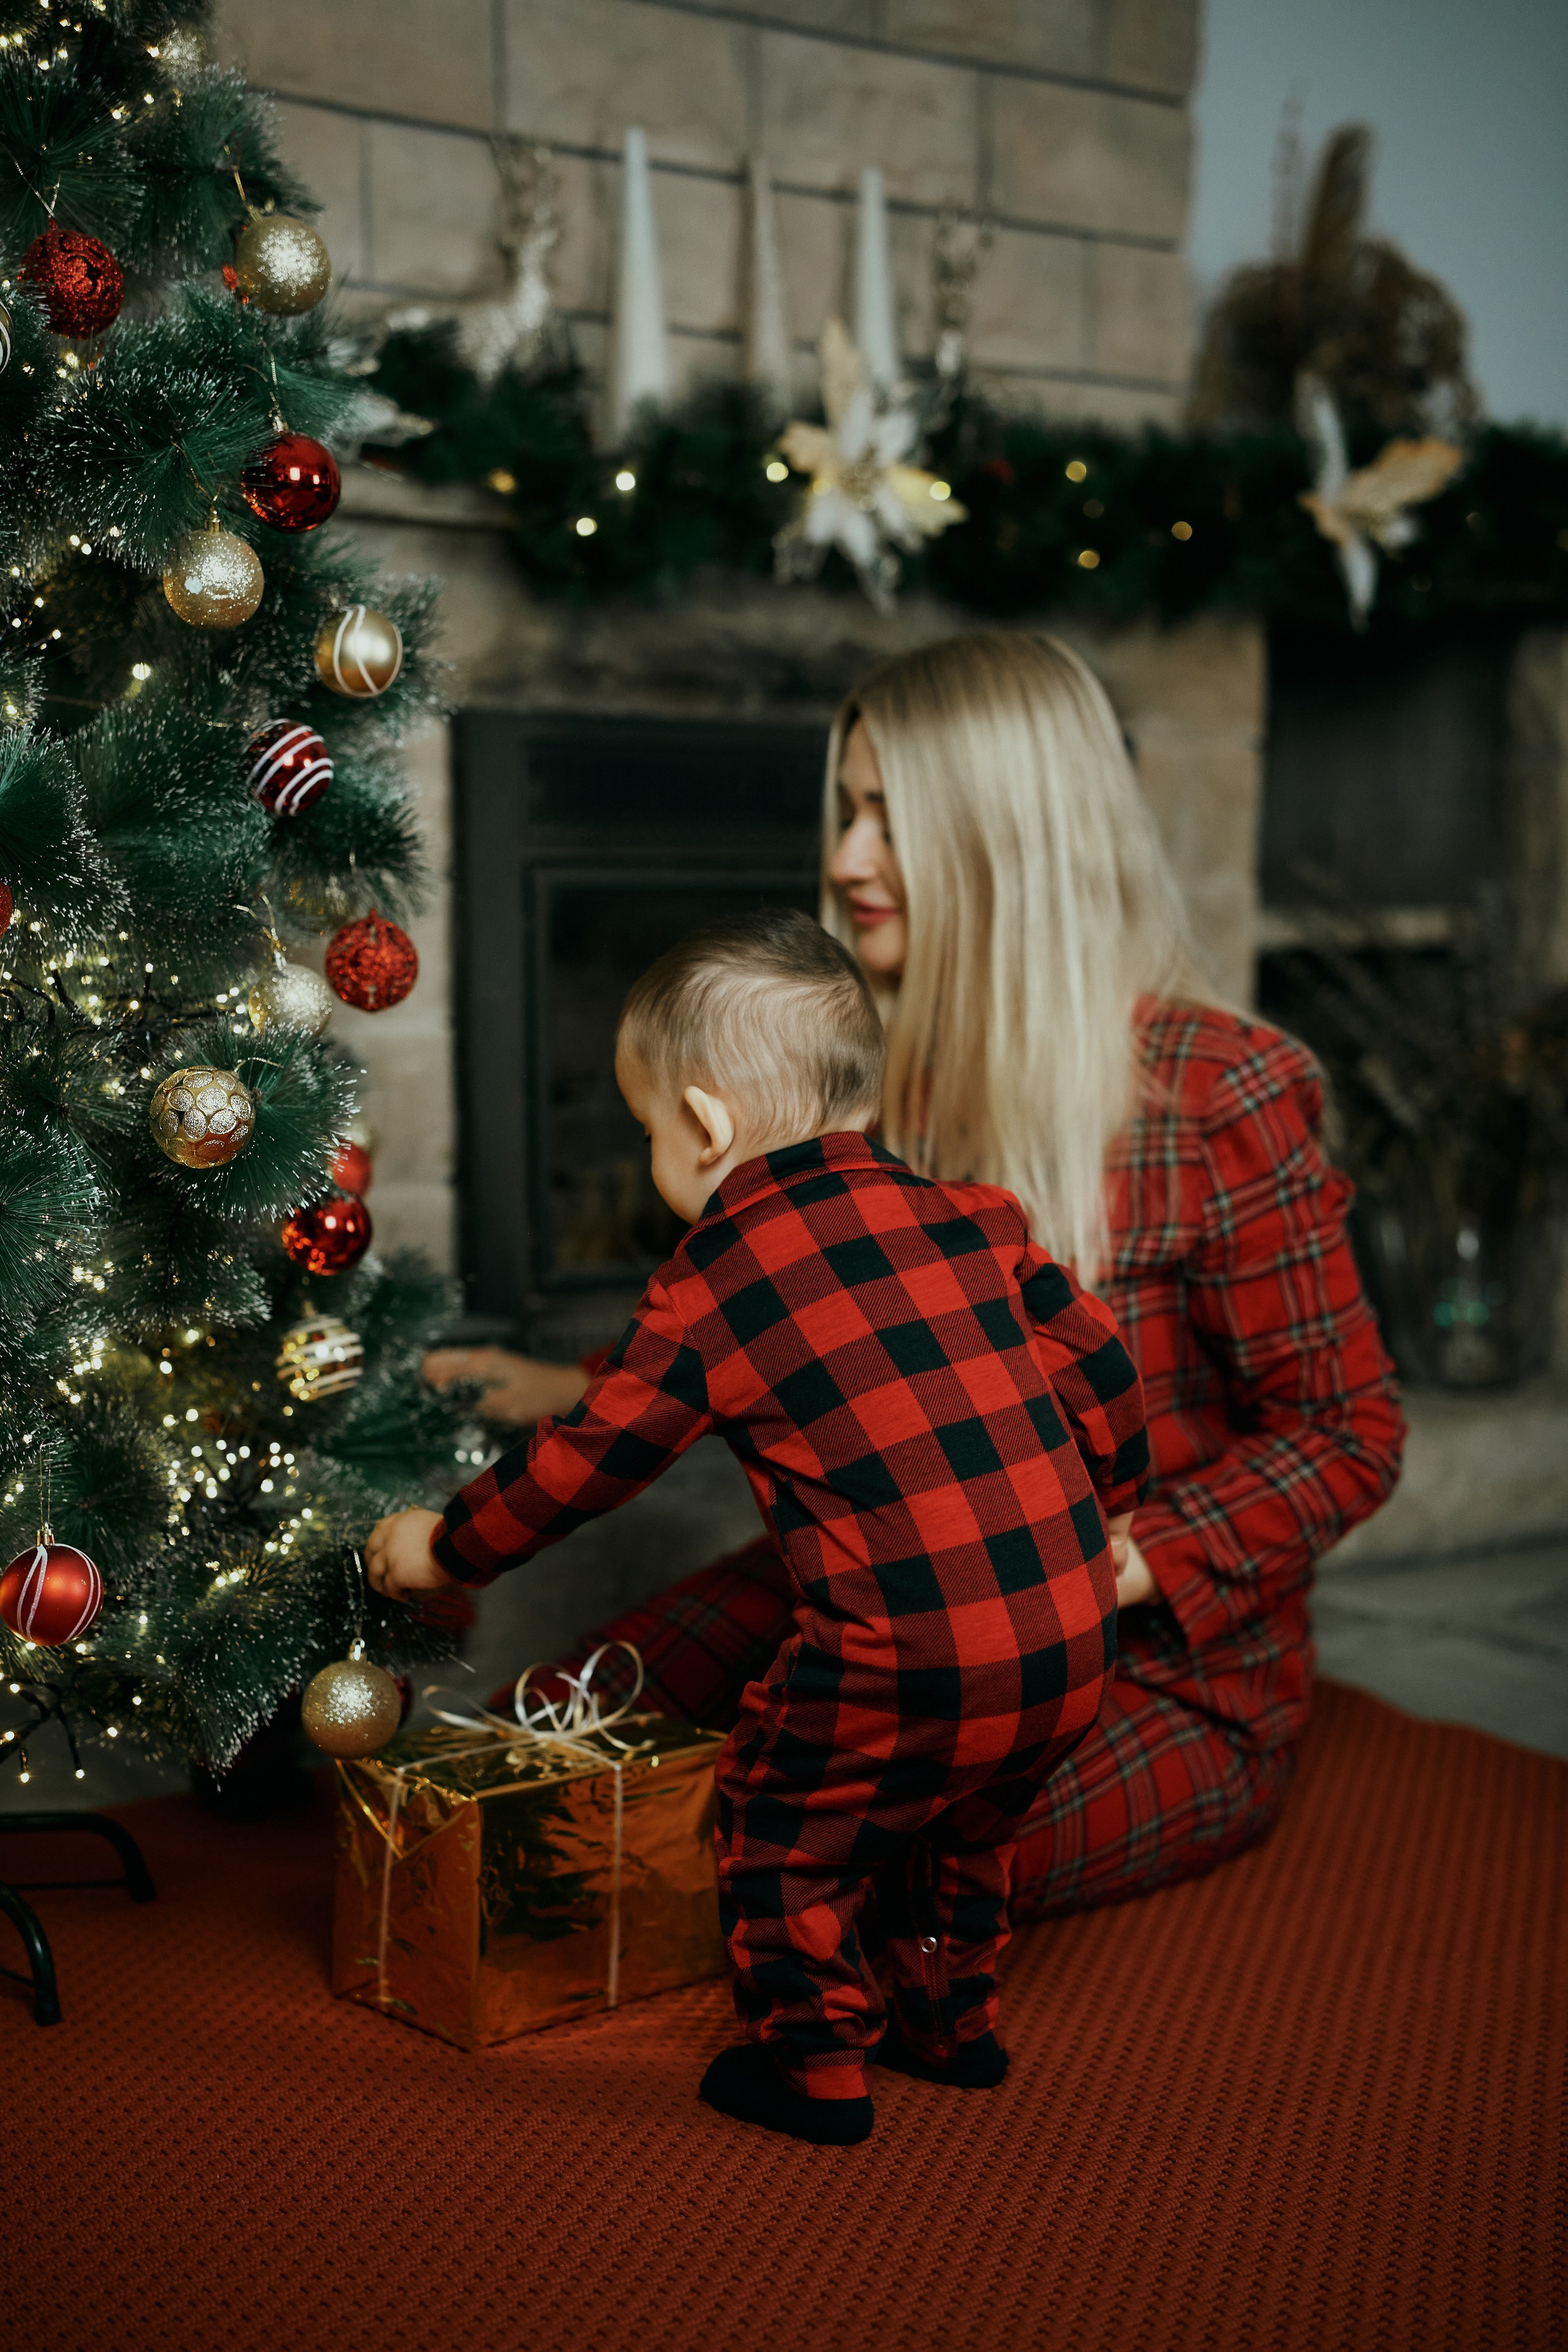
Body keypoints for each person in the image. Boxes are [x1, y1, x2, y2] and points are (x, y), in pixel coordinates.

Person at [424, 631, 1406, 1932]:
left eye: (888, 817)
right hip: (879, 1605)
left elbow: (1348, 1434)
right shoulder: (859, 1085)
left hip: (1152, 1667)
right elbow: (764, 1308)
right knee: (516, 1755)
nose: (842, 860)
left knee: (836, 1874)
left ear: (1013, 839)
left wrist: (1117, 1561)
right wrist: (575, 1386)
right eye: (845, 810)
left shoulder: (1220, 1092)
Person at [369, 908, 1150, 2147]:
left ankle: (815, 2067)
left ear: (707, 1124)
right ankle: (951, 2025)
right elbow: (1105, 1370)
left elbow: (587, 1462)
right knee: (963, 1827)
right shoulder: (974, 1217)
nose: (648, 1160)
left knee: (783, 1823)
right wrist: (1103, 1512)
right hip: (1065, 1640)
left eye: (645, 1135)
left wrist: (444, 1549)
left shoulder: (713, 1280)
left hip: (901, 1660)